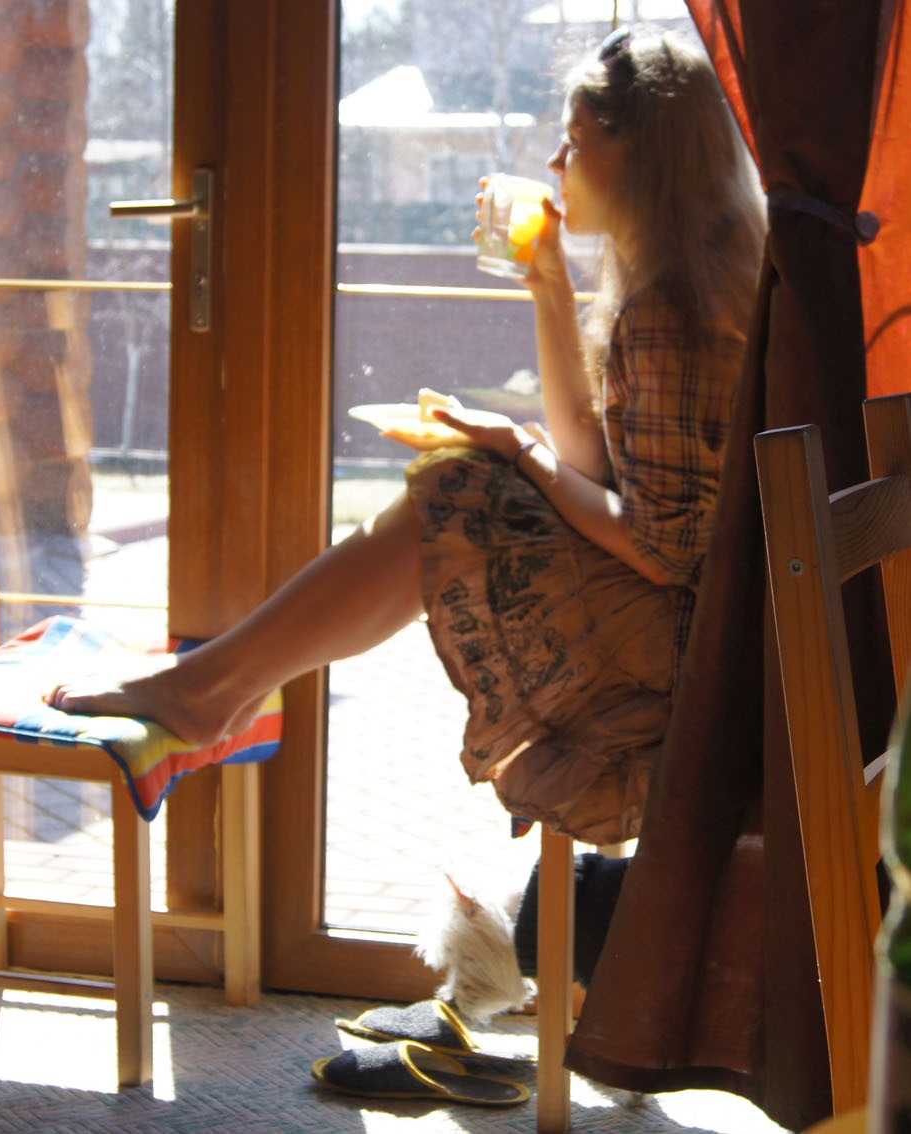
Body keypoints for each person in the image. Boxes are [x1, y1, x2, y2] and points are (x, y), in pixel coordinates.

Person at [49, 27, 766, 848]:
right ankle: (220, 685)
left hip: (684, 657)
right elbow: (593, 463)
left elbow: (664, 549)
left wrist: (518, 451)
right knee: (467, 480)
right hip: (692, 626)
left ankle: (211, 688)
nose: (556, 164)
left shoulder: (674, 306)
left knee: (457, 492)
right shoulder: (685, 274)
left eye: (575, 142)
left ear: (644, 158)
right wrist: (548, 289)